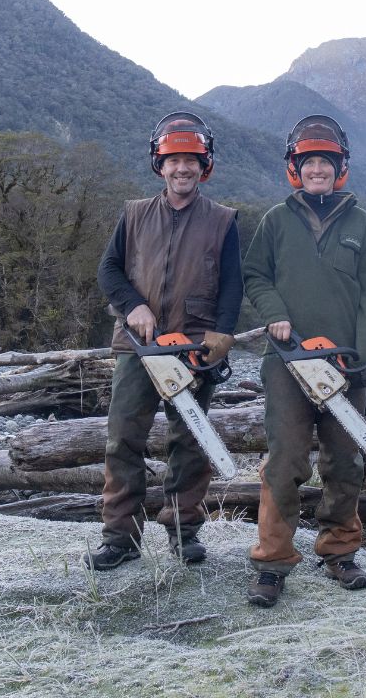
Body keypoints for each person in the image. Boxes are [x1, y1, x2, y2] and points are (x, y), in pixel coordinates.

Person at [82, 111, 242, 571]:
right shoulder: (133, 214)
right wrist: (133, 304)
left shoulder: (223, 220)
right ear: (160, 165)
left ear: (204, 165)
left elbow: (233, 283)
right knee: (123, 440)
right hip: (139, 346)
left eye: (191, 160)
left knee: (189, 441)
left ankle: (182, 530)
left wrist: (222, 332)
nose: (182, 169)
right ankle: (120, 537)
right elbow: (108, 270)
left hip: (193, 344)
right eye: (173, 160)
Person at [242, 114, 366, 607]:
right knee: (285, 460)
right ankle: (273, 559)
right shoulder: (275, 222)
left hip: (346, 366)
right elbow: (255, 276)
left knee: (345, 461)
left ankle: (339, 551)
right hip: (287, 361)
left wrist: (361, 359)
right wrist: (275, 315)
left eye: (326, 162)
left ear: (340, 169)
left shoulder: (363, 225)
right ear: (295, 169)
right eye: (309, 163)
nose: (318, 170)